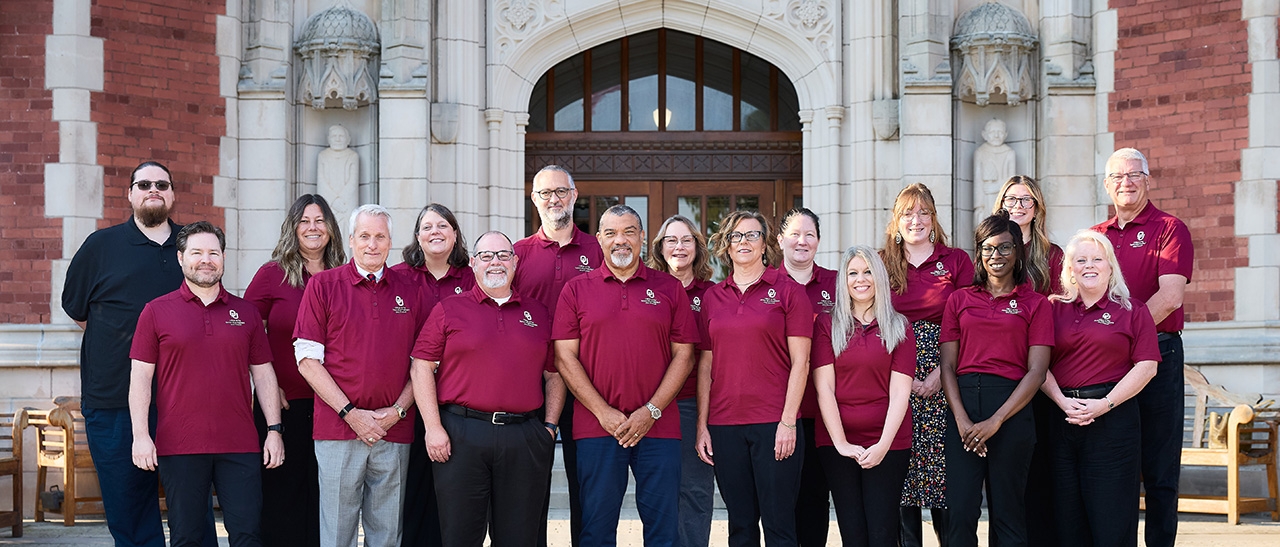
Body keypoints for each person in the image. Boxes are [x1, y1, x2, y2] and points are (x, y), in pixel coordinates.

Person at [61, 161, 215, 547]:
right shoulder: (101, 246)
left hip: (184, 401)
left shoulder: (193, 246)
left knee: (193, 510)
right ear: (129, 194)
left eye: (162, 184)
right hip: (113, 399)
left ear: (173, 194)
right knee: (129, 511)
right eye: (143, 184)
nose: (153, 190)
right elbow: (77, 310)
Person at [128, 221, 285, 547]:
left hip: (240, 445)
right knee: (187, 538)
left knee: (247, 535)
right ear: (181, 257)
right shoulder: (155, 312)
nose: (206, 259)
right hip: (179, 446)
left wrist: (274, 430)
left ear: (223, 258)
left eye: (213, 252)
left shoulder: (247, 313)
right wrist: (141, 436)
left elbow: (264, 374)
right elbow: (141, 378)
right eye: (197, 252)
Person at [410, 230, 565, 547]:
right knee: (460, 536)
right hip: (461, 434)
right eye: (486, 256)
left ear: (515, 262)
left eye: (503, 255)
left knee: (519, 538)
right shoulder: (449, 310)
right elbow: (421, 366)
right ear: (473, 263)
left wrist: (548, 426)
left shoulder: (538, 313)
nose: (495, 262)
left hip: (523, 436)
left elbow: (555, 373)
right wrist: (433, 427)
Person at [553, 205, 698, 545]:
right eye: (612, 233)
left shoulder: (669, 288)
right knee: (596, 531)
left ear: (642, 238)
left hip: (659, 428)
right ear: (599, 239)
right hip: (596, 428)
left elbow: (685, 356)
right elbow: (564, 357)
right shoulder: (576, 289)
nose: (621, 241)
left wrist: (651, 411)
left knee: (664, 532)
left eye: (629, 232)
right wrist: (603, 412)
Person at [294, 204, 424, 547]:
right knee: (337, 533)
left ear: (390, 241)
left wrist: (396, 412)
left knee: (387, 535)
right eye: (364, 236)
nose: (372, 244)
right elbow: (307, 361)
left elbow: (424, 363)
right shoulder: (323, 286)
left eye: (380, 236)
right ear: (350, 240)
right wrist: (351, 415)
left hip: (393, 431)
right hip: (338, 431)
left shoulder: (410, 291)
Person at [1091, 148, 1193, 547]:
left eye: (1134, 175)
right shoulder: (1096, 237)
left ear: (1148, 180)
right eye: (1117, 177)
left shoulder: (1170, 228)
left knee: (1160, 469)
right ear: (1106, 185)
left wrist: (1123, 335)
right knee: (1116, 470)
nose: (1126, 183)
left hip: (1160, 357)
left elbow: (1170, 297)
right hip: (1109, 364)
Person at [695, 210, 813, 546]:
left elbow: (801, 362)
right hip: (725, 425)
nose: (743, 242)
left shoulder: (789, 292)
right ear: (727, 247)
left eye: (752, 235)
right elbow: (707, 364)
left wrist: (788, 422)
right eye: (736, 236)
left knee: (779, 526)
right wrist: (702, 425)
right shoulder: (712, 298)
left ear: (765, 244)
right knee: (741, 526)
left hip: (774, 424)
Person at [939, 210, 1053, 547]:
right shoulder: (959, 299)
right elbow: (947, 366)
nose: (995, 256)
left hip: (1012, 411)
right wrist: (961, 420)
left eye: (1004, 248)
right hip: (963, 410)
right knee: (959, 515)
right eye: (987, 249)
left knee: (1008, 516)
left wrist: (996, 420)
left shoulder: (1035, 304)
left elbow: (1037, 371)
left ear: (1018, 251)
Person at [1043, 230, 1160, 546]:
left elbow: (1147, 366)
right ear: (1069, 268)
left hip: (1113, 422)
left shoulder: (1134, 310)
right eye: (1080, 260)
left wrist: (1105, 404)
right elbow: (1037, 365)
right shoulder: (1052, 308)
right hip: (1061, 419)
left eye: (1097, 259)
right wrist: (1061, 401)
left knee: (1112, 522)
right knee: (1066, 521)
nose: (1089, 266)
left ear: (1111, 267)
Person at [243, 194, 346, 547]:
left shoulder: (343, 276)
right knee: (282, 496)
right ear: (293, 227)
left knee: (325, 496)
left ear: (331, 228)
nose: (313, 227)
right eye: (305, 220)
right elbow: (246, 332)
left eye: (320, 220)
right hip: (284, 405)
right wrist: (269, 383)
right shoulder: (272, 275)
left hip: (333, 406)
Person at [512, 165, 604, 547]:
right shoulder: (516, 254)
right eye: (545, 193)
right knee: (531, 487)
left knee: (588, 485)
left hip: (588, 384)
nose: (554, 199)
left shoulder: (599, 250)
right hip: (531, 387)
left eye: (560, 192)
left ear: (574, 194)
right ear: (534, 199)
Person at [882, 183, 972, 547]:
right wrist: (902, 378)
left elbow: (971, 320)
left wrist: (940, 372)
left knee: (942, 476)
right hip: (891, 374)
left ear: (934, 218)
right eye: (907, 213)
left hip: (945, 374)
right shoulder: (882, 262)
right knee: (900, 476)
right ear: (896, 221)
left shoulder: (956, 261)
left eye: (923, 212)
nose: (915, 220)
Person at [811, 245, 915, 547]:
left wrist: (882, 445)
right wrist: (842, 444)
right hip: (837, 444)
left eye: (868, 271)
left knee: (882, 533)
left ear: (879, 277)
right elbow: (824, 389)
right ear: (843, 280)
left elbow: (900, 393)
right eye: (852, 272)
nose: (861, 279)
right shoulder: (826, 324)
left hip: (888, 443)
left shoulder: (899, 326)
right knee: (853, 532)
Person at [392, 203, 475, 547]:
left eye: (443, 225)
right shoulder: (397, 276)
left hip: (460, 402)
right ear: (417, 237)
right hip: (406, 402)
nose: (435, 232)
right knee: (413, 495)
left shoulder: (474, 277)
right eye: (427, 227)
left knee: (454, 500)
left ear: (455, 234)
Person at [990, 174, 1064, 545]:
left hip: (1041, 373)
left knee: (1039, 467)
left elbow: (1063, 308)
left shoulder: (1052, 256)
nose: (1017, 207)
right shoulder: (989, 249)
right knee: (1004, 478)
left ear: (1037, 209)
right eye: (1010, 200)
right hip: (999, 371)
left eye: (1025, 201)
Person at [646, 215, 715, 547]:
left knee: (695, 492)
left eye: (686, 240)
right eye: (671, 240)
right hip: (654, 405)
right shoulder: (647, 290)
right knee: (659, 495)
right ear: (660, 248)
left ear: (697, 247)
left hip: (692, 405)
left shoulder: (714, 294)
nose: (679, 247)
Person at [776, 207, 837, 546]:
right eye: (795, 234)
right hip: (780, 413)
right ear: (781, 239)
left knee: (815, 500)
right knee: (781, 504)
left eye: (810, 235)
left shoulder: (837, 283)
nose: (802, 241)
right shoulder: (765, 283)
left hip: (824, 414)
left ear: (818, 241)